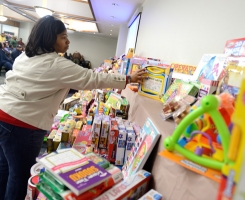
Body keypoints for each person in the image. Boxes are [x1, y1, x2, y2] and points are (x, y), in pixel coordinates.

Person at [0, 15, 146, 200]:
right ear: (49, 38)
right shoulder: (56, 64)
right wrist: (127, 79)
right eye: (63, 36)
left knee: (5, 167)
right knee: (19, 175)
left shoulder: (25, 56)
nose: (68, 41)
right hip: (21, 123)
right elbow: (92, 79)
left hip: (3, 113)